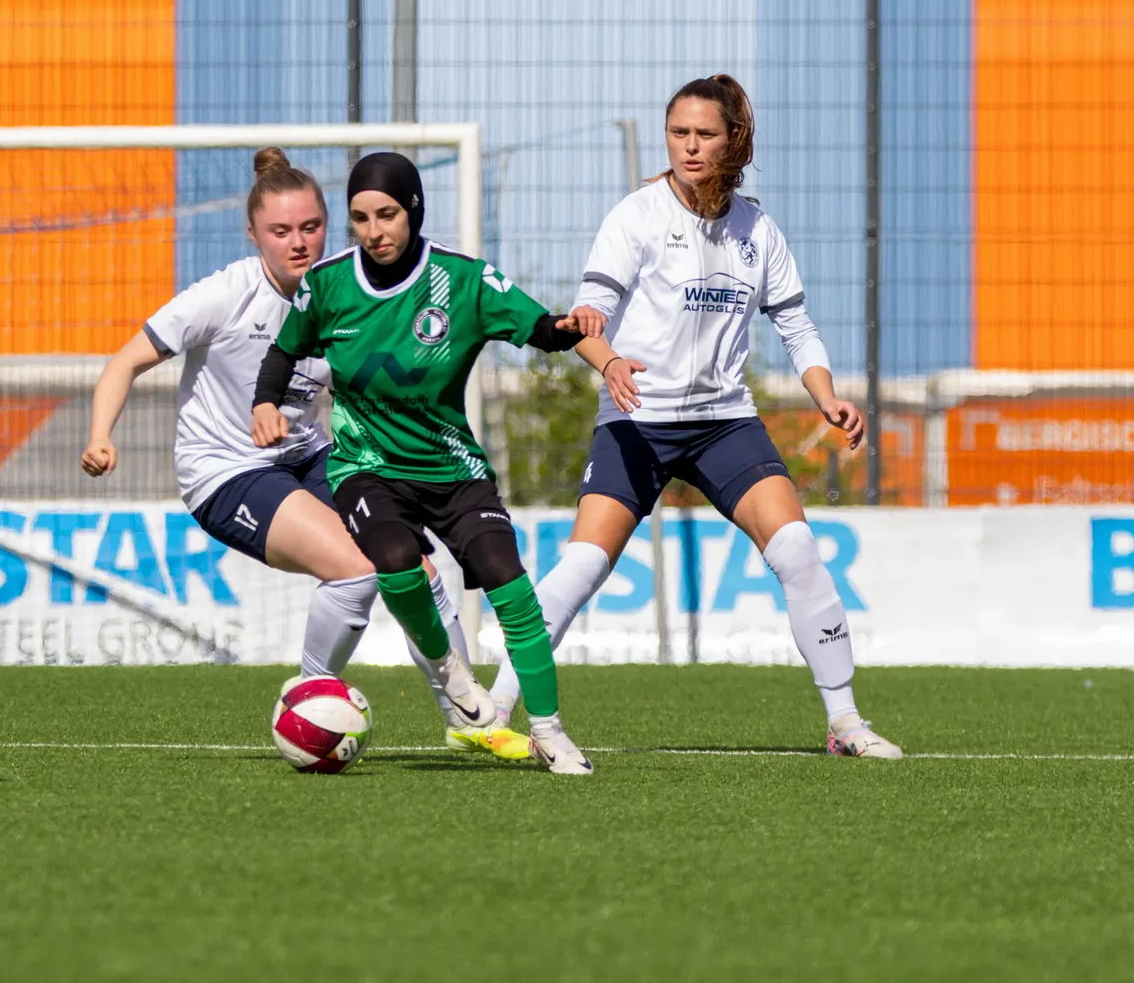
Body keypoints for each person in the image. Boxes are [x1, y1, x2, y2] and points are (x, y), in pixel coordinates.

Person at [489, 74, 902, 759]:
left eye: (704, 134)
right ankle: (495, 709)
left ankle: (845, 723)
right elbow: (587, 319)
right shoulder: (636, 216)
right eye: (678, 132)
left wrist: (825, 395)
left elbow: (796, 327)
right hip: (637, 421)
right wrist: (607, 360)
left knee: (798, 551)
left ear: (733, 140)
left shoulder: (758, 230)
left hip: (723, 423)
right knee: (584, 563)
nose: (688, 146)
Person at [82, 148, 529, 761]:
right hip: (225, 470)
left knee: (414, 569)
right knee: (358, 568)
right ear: (253, 234)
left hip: (312, 455)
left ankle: (465, 717)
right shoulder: (225, 295)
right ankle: (306, 701)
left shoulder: (344, 289)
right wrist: (100, 436)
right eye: (280, 231)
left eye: (311, 227)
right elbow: (124, 361)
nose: (298, 243)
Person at [253, 151, 597, 775]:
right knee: (392, 557)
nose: (373, 231)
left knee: (509, 582)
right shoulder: (327, 284)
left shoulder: (462, 281)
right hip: (366, 465)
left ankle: (549, 732)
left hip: (453, 468)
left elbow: (543, 331)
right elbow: (282, 353)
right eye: (360, 218)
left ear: (414, 209)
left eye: (386, 214)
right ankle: (450, 673)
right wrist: (264, 404)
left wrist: (573, 326)